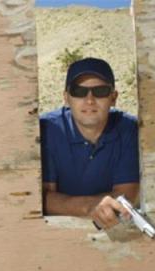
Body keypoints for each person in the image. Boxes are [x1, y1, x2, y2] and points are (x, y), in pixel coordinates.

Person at [40, 57, 139, 230]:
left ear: (114, 97)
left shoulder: (129, 129)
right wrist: (91, 207)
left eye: (100, 91)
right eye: (79, 91)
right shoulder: (47, 130)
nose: (90, 100)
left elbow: (126, 195)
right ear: (66, 98)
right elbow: (44, 200)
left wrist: (79, 205)